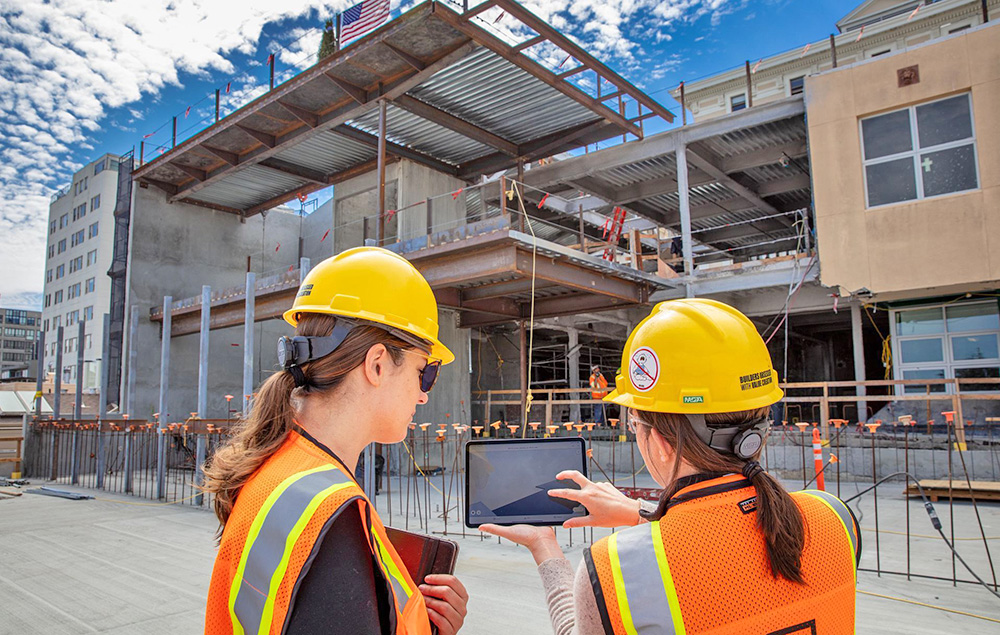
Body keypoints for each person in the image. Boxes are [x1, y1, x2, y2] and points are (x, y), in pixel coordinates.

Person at [482, 298, 859, 634]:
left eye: (634, 424)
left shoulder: (616, 570)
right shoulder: (837, 520)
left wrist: (545, 549)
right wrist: (640, 513)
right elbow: (725, 539)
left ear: (661, 443)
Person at [203, 247, 468, 635]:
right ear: (377, 364)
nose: (424, 394)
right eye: (423, 372)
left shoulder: (278, 471)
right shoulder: (332, 517)